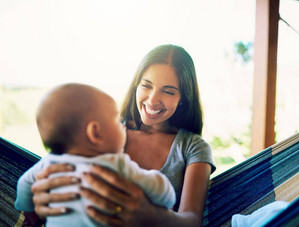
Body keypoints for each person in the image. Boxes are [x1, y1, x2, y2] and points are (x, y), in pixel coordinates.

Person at [30, 44, 216, 226]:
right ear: (136, 85)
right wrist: (40, 198)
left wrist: (151, 216)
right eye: (146, 85)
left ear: (183, 97)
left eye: (168, 91)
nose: (152, 100)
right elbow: (50, 174)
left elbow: (192, 220)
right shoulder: (105, 131)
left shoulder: (193, 147)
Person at [15, 83, 176, 226]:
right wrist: (165, 191)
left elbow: (23, 184)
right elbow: (161, 191)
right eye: (118, 121)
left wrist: (29, 211)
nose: (123, 126)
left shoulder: (50, 163)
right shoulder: (116, 165)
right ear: (95, 133)